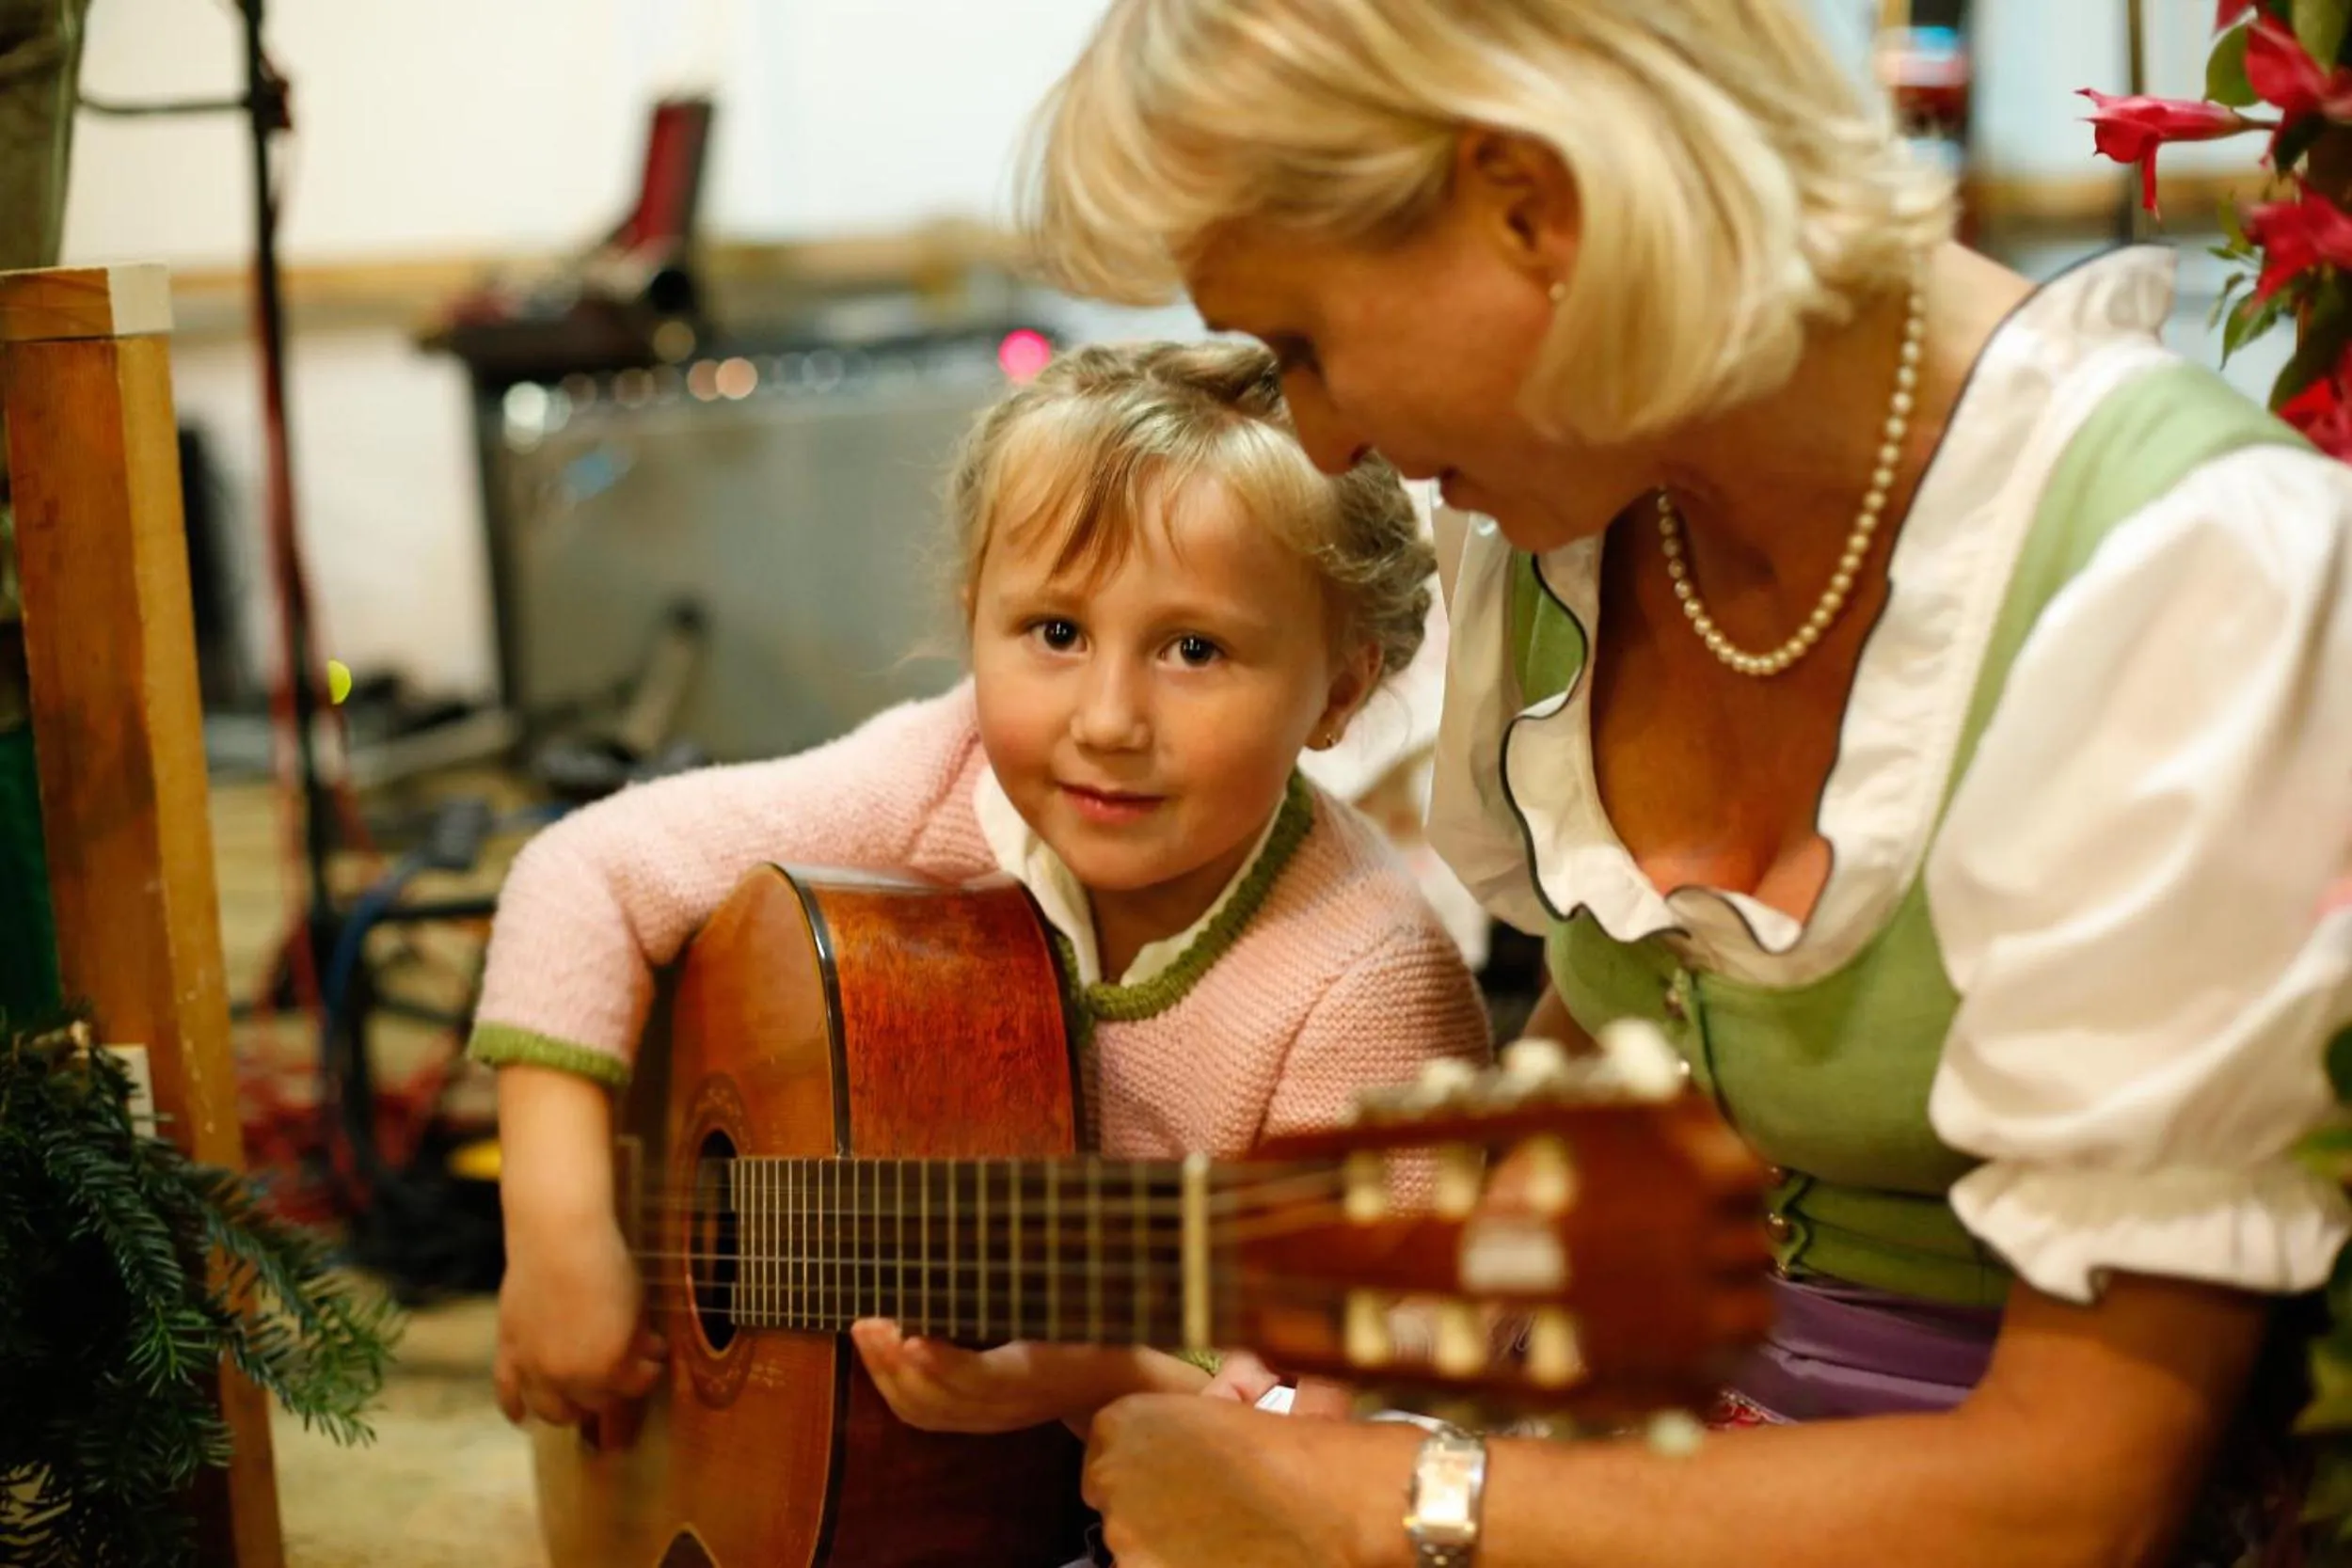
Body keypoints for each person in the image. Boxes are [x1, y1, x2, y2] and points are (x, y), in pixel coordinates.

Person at [1017, 1, 2352, 1563]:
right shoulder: (1563, 510)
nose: (1319, 440)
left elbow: (2080, 1497)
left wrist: (1383, 1499)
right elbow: (1620, 1025)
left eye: (1307, 346)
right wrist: (1332, 1347)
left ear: (1533, 206)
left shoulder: (2187, 576)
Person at [470, 339, 1494, 1451]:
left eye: (1194, 648)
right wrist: (560, 1229)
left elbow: (1370, 1409)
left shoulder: (1368, 987)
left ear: (1338, 689)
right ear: (974, 620)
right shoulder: (945, 770)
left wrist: (1105, 1371)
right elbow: (584, 871)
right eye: (1056, 632)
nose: (1107, 719)